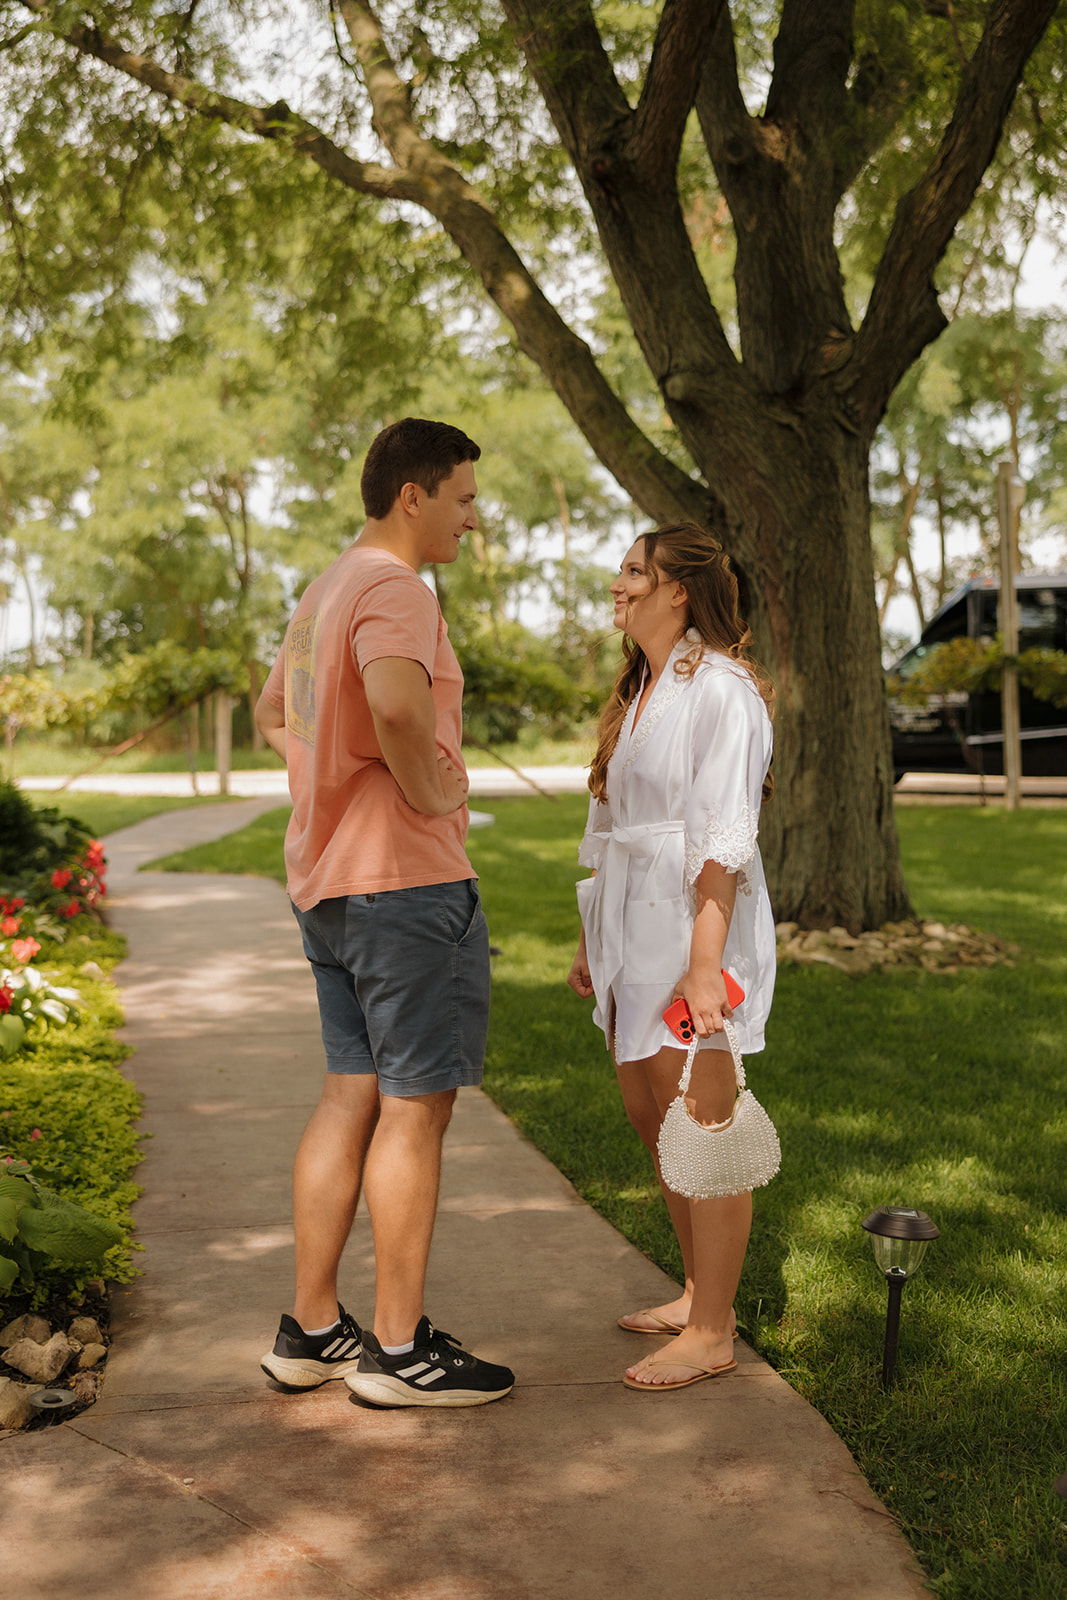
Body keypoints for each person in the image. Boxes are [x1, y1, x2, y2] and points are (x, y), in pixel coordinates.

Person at [254, 416, 514, 1408]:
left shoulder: (325, 588)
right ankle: (399, 1351)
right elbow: (400, 707)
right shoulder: (397, 588)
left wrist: (330, 773)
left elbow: (274, 713)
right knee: (415, 1106)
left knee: (347, 1096)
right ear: (414, 495)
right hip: (403, 885)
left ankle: (312, 1330)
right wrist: (427, 791)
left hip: (329, 884)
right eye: (463, 498)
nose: (471, 518)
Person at [566, 521, 775, 1392]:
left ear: (677, 590)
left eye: (632, 572)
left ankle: (714, 1332)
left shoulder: (721, 689)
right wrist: (592, 941)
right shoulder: (643, 689)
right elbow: (608, 825)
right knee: (652, 1115)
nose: (616, 585)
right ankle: (695, 1293)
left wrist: (703, 964)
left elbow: (723, 839)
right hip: (630, 926)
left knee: (701, 1121)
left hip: (694, 926)